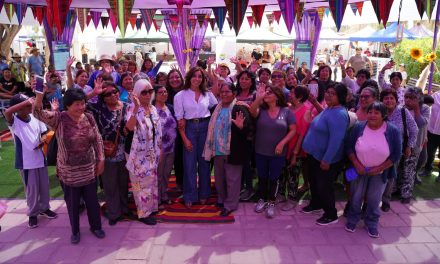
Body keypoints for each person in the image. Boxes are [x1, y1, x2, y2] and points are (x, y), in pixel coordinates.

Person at [33, 88, 105, 244]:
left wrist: (101, 159)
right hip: (69, 172)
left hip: (89, 169)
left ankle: (96, 226)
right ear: (67, 105)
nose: (81, 107)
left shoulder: (89, 118)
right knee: (72, 204)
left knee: (92, 201)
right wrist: (39, 95)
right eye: (76, 104)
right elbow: (38, 113)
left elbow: (97, 139)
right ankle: (75, 231)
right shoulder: (59, 118)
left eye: (82, 103)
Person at [345, 102, 402, 238]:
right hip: (358, 170)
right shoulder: (359, 127)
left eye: (376, 112)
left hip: (380, 173)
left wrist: (379, 168)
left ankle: (371, 223)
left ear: (384, 115)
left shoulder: (393, 131)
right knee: (355, 196)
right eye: (370, 112)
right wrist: (357, 164)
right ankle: (352, 219)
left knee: (374, 199)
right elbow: (349, 148)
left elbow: (396, 155)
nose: (372, 115)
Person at [4, 94, 58, 229]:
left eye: (30, 105)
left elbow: (44, 132)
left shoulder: (35, 117)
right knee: (32, 189)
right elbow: (7, 112)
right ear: (19, 108)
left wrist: (43, 140)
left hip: (40, 158)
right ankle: (33, 213)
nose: (30, 107)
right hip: (26, 162)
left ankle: (45, 208)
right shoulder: (14, 122)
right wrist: (26, 101)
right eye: (27, 105)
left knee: (44, 187)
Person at [301, 83, 349, 225]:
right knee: (314, 182)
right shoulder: (330, 109)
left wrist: (327, 160)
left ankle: (330, 214)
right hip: (314, 156)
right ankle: (316, 204)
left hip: (326, 159)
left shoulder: (339, 114)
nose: (328, 95)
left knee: (324, 186)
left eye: (332, 93)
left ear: (340, 97)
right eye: (327, 92)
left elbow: (336, 140)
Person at [203, 82, 252, 216]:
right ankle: (221, 199)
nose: (224, 94)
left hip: (233, 151)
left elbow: (249, 130)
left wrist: (241, 127)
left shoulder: (239, 108)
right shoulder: (216, 108)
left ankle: (230, 204)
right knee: (219, 178)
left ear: (234, 94)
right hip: (217, 150)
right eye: (222, 91)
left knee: (233, 180)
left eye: (227, 92)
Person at [250, 84, 296, 218]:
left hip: (277, 153)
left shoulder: (286, 111)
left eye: (270, 93)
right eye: (266, 92)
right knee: (262, 177)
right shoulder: (261, 110)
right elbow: (252, 110)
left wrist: (282, 143)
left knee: (274, 178)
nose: (267, 94)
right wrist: (259, 97)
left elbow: (293, 130)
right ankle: (262, 199)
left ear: (277, 96)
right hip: (260, 150)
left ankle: (271, 202)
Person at [174, 67, 218, 208]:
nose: (197, 79)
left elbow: (217, 108)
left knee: (204, 163)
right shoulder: (180, 95)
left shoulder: (208, 95)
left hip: (205, 128)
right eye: (194, 76)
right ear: (189, 77)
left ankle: (204, 194)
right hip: (189, 129)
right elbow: (180, 121)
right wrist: (185, 138)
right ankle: (190, 195)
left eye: (200, 76)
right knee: (189, 164)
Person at [87, 82, 130, 226]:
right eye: (108, 94)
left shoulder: (126, 106)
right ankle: (114, 212)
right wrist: (94, 92)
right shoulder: (98, 109)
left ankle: (124, 209)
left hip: (124, 152)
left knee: (123, 183)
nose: (113, 95)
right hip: (106, 152)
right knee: (110, 185)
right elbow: (79, 102)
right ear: (103, 97)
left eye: (115, 91)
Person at [125, 79, 162, 225]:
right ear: (136, 93)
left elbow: (156, 131)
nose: (148, 95)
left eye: (150, 91)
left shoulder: (152, 109)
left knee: (151, 181)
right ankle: (143, 213)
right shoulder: (131, 108)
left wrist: (159, 149)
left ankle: (151, 208)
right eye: (144, 92)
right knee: (138, 184)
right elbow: (129, 127)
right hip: (137, 154)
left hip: (151, 152)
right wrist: (135, 109)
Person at [380, 88, 418, 211]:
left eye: (392, 98)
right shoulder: (378, 111)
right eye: (386, 98)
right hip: (378, 150)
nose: (389, 100)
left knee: (391, 176)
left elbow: (414, 130)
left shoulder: (403, 112)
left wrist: (409, 146)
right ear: (381, 100)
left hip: (395, 151)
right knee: (376, 175)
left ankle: (385, 200)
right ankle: (373, 199)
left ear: (396, 100)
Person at [282, 85, 312, 211]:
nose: (290, 94)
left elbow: (302, 134)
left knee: (293, 175)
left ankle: (292, 199)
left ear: (299, 97)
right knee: (283, 173)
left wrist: (295, 154)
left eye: (293, 93)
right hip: (285, 147)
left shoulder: (306, 111)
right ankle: (281, 195)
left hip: (297, 149)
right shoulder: (288, 108)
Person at [400, 88, 430, 199]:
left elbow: (421, 123)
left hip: (416, 145)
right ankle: (396, 189)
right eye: (406, 97)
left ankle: (406, 193)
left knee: (410, 169)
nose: (408, 100)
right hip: (402, 144)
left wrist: (416, 107)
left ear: (419, 99)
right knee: (400, 167)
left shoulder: (425, 108)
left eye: (412, 98)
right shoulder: (402, 108)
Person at [154, 85, 177, 206]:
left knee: (166, 173)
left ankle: (164, 194)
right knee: (158, 173)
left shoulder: (170, 108)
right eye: (160, 92)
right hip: (158, 148)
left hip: (171, 147)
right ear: (155, 94)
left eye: (165, 91)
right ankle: (156, 198)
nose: (164, 94)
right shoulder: (151, 109)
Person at [165, 68, 185, 189]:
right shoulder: (164, 92)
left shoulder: (186, 91)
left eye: (177, 77)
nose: (174, 79)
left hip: (185, 129)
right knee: (170, 158)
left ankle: (183, 182)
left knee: (183, 157)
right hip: (169, 131)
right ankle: (163, 186)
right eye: (171, 77)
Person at [422, 90, 440, 181]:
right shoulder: (435, 95)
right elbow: (426, 104)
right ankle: (427, 169)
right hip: (432, 130)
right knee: (430, 153)